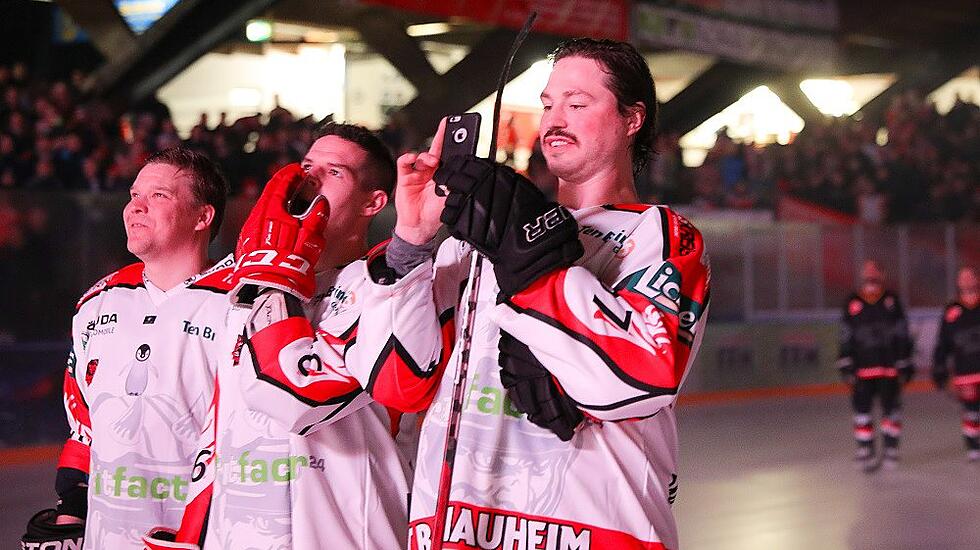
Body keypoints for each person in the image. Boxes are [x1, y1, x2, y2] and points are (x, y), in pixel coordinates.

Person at [350, 38, 710, 550]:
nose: (554, 119)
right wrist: (412, 240)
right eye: (547, 104)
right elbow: (395, 385)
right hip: (455, 531)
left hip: (593, 532)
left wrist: (528, 252)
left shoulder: (661, 236)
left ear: (632, 119)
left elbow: (639, 377)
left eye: (577, 104)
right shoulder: (471, 245)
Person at [143, 122, 414, 550]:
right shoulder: (248, 283)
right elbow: (220, 425)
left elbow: (300, 400)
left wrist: (274, 277)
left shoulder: (387, 289)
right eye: (308, 165)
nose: (311, 178)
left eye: (335, 172)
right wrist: (192, 533)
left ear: (374, 202)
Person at [21, 148, 232, 550]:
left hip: (209, 537)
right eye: (135, 194)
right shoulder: (96, 302)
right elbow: (84, 426)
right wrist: (71, 517)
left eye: (159, 196)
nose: (135, 207)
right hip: (109, 537)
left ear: (203, 217)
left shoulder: (244, 302)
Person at [837, 259, 914, 471]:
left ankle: (891, 449)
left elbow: (902, 333)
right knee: (861, 411)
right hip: (863, 368)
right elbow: (845, 334)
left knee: (891, 410)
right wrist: (845, 361)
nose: (869, 273)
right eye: (866, 270)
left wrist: (905, 360)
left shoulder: (892, 301)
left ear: (882, 275)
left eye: (874, 270)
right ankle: (866, 449)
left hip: (888, 368)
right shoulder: (852, 302)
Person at [932, 266, 980, 462]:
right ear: (958, 283)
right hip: (965, 371)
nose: (967, 280)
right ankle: (973, 446)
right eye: (963, 277)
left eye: (970, 276)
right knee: (970, 410)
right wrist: (940, 369)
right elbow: (943, 343)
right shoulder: (952, 311)